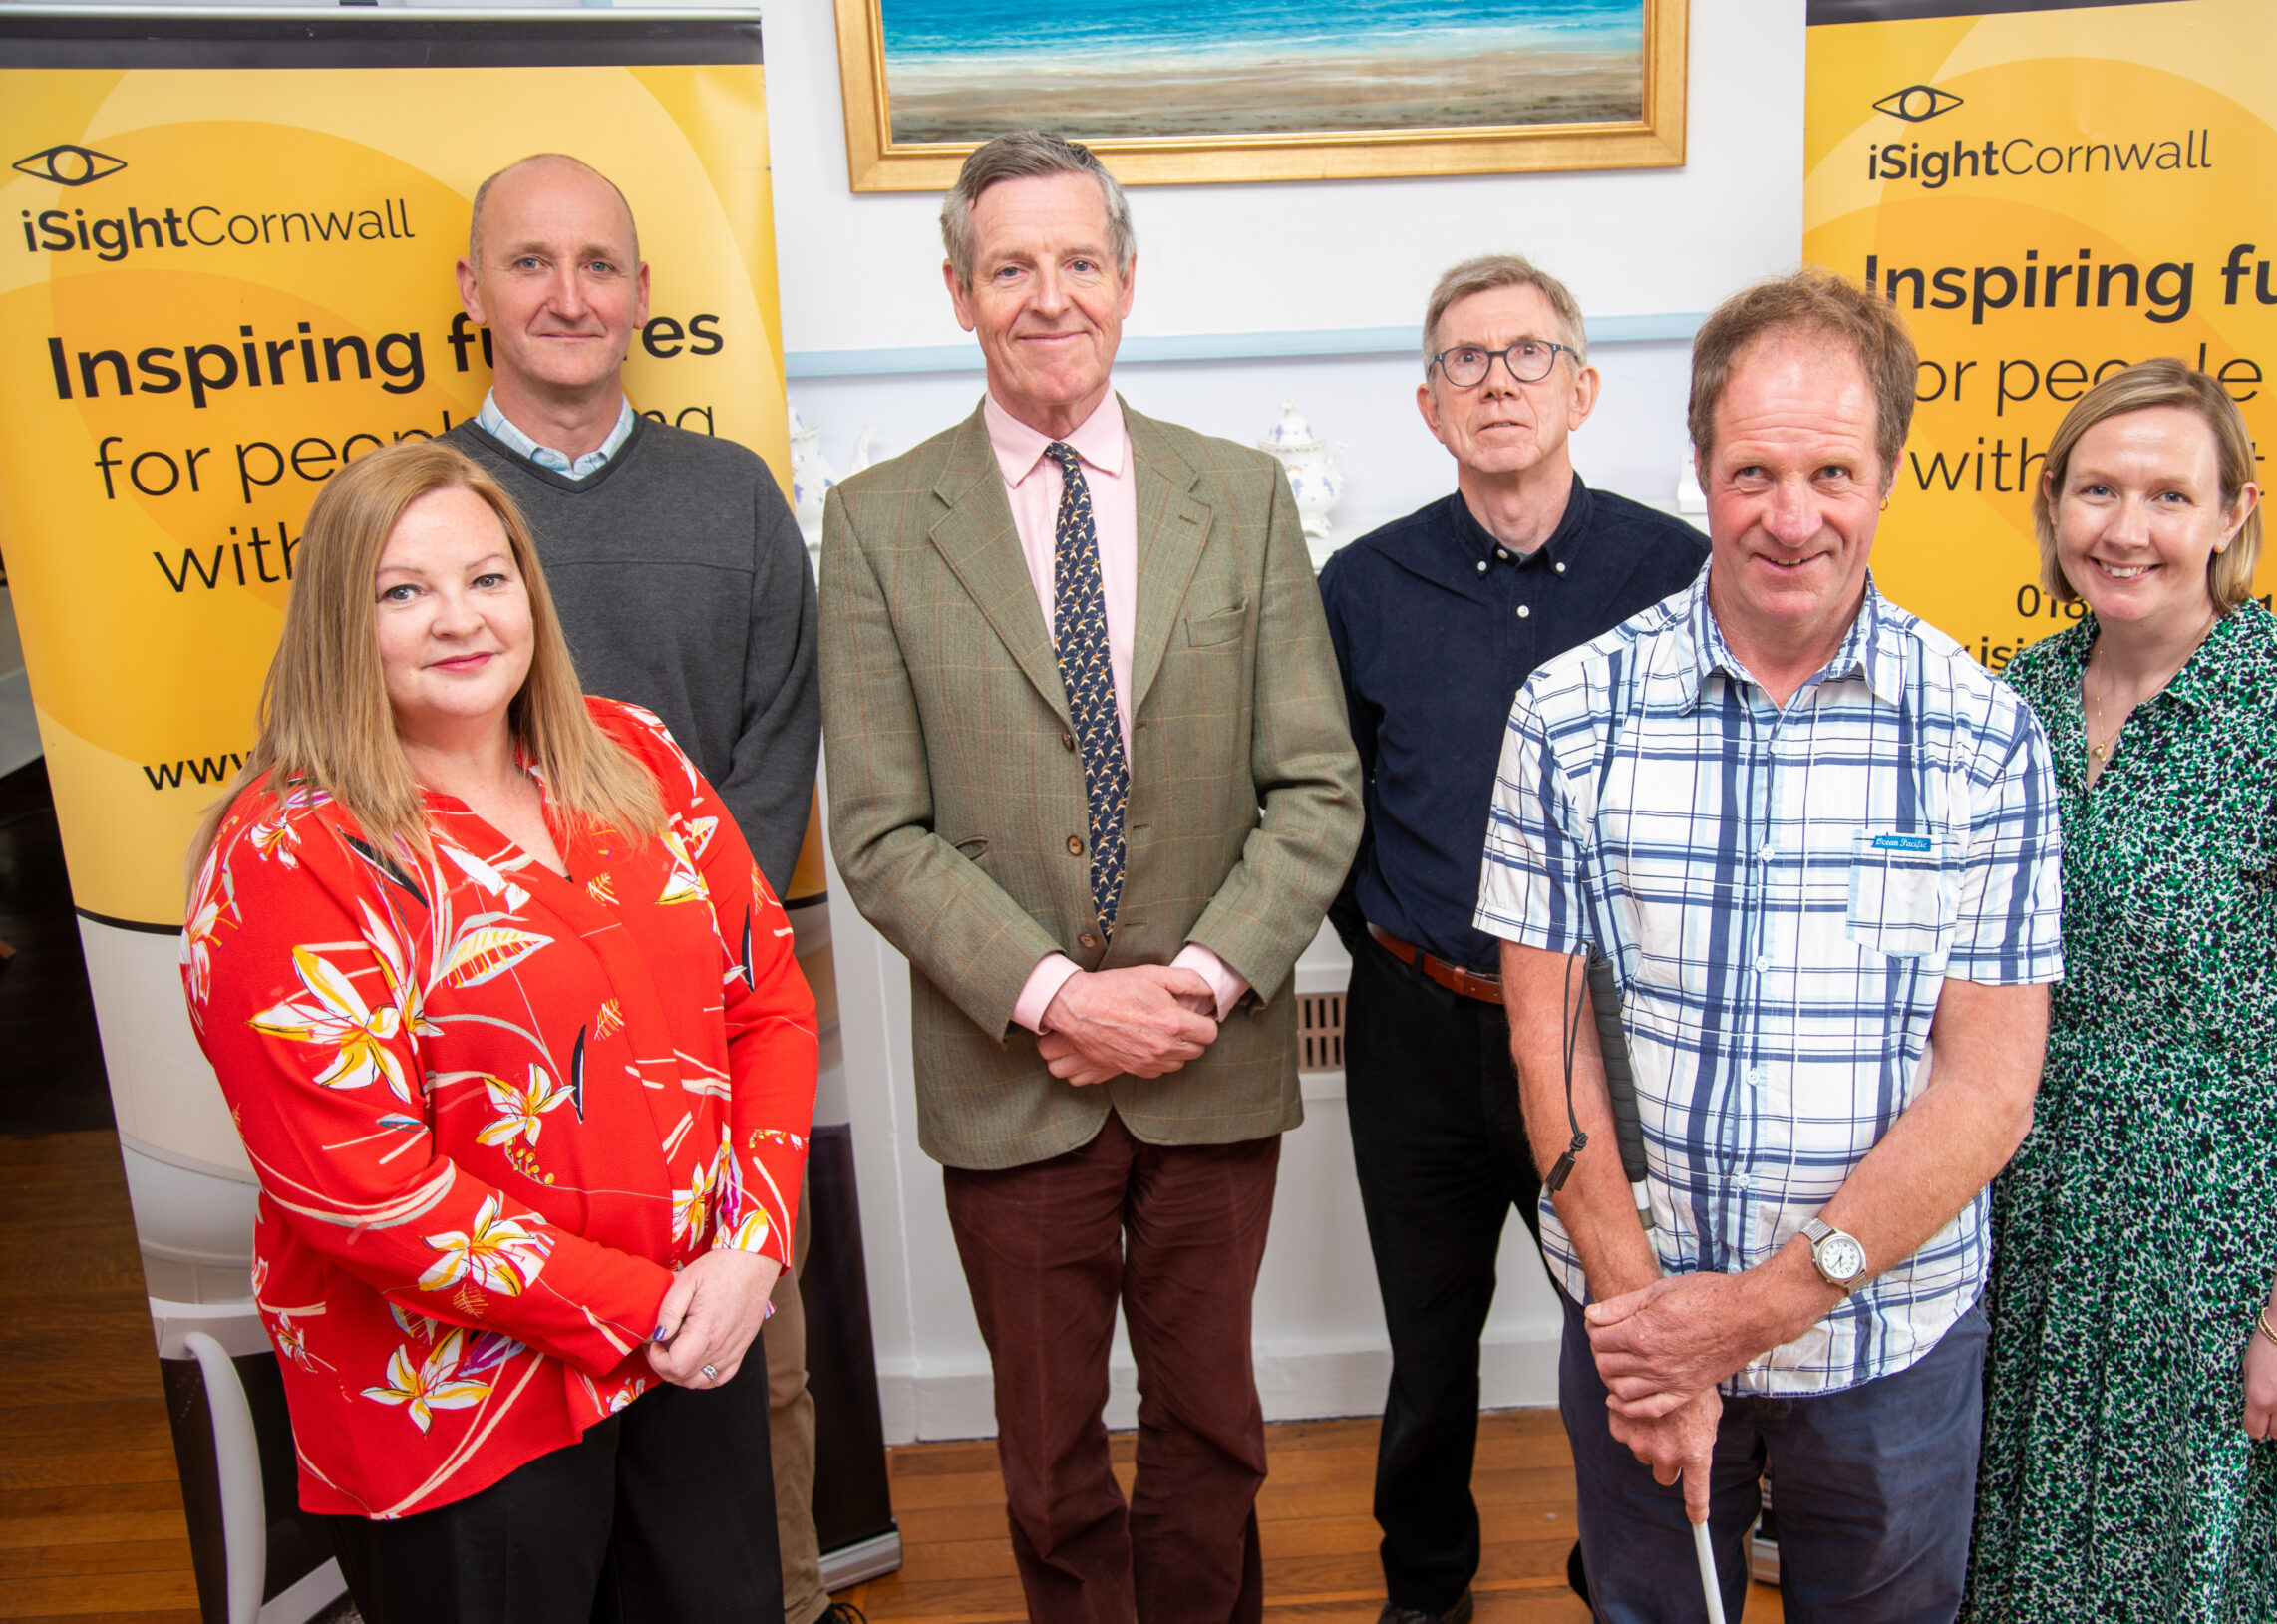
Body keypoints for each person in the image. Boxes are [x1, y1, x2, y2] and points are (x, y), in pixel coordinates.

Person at [819, 131, 1361, 1624]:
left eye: (1076, 261)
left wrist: (1190, 986)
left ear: (1126, 281)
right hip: (1014, 1071)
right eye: (1009, 267)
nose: (1045, 296)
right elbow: (877, 826)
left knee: (1214, 1432)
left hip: (1208, 1051)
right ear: (958, 292)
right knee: (1048, 1454)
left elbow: (1315, 783)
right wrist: (1059, 996)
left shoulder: (1239, 496)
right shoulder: (875, 524)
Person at [1473, 269, 2064, 1624]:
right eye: (1752, 470)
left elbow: (1989, 1089)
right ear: (1699, 467)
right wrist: (1653, 1334)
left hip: (1886, 1345)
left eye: (1831, 471)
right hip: (1636, 1323)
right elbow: (1545, 1039)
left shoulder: (1982, 738)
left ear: (1890, 473)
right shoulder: (1571, 715)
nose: (1791, 518)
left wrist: (1752, 1314)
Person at [182, 440, 817, 1622]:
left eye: (487, 578)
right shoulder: (287, 855)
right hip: (463, 1413)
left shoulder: (633, 755)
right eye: (402, 591)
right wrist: (652, 1310)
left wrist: (753, 1253)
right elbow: (362, 1196)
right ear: (339, 618)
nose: (457, 620)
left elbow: (767, 1003)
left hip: (701, 1343)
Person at [439, 153, 833, 1624]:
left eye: (600, 265)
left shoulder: (730, 496)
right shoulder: (414, 513)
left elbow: (779, 733)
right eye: (530, 263)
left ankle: (781, 1601)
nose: (568, 294)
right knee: (538, 1381)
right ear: (472, 290)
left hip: (715, 1016)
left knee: (746, 1359)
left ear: (645, 298)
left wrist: (669, 963)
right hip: (495, 1046)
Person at [1965, 358, 2277, 1620]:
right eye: (2096, 490)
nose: (2126, 528)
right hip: (2050, 1231)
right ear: (2052, 508)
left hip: (2239, 1244)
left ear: (2231, 518)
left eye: (2169, 496)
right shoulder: (2020, 701)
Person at [1319, 253, 1706, 1624]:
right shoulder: (1360, 585)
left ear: (1583, 387)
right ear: (1428, 404)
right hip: (1419, 1022)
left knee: (1633, 1321)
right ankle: (1426, 1591)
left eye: (1526, 354)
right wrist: (1392, 944)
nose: (1496, 381)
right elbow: (1328, 803)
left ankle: (1632, 1577)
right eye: (1465, 361)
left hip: (1614, 1031)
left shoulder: (1679, 574)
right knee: (1431, 1349)